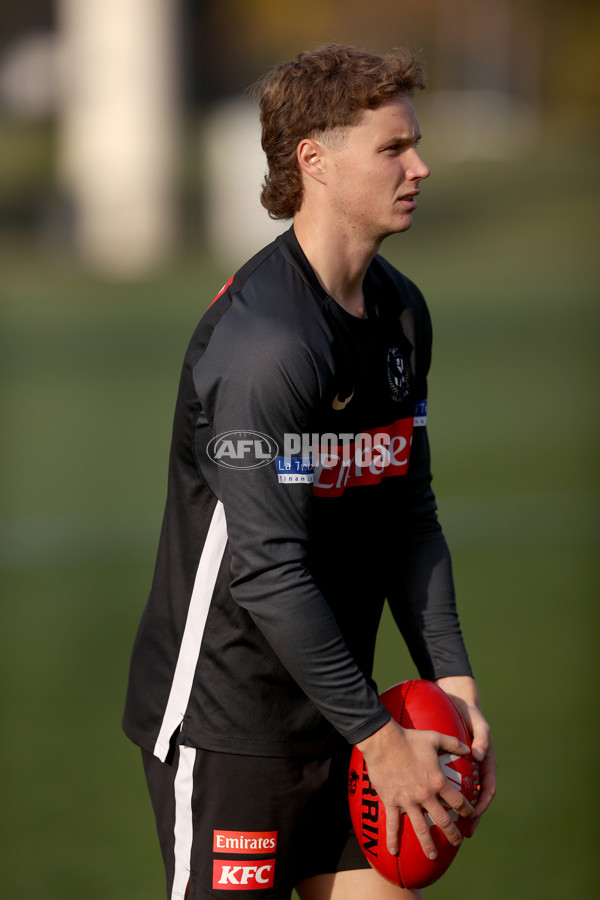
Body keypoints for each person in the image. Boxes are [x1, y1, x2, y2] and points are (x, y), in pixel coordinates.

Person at [123, 43, 496, 900]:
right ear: (315, 163)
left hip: (346, 710)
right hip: (232, 720)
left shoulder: (401, 313)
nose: (421, 167)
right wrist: (380, 741)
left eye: (415, 144)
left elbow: (410, 511)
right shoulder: (266, 345)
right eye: (393, 149)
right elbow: (269, 571)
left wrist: (456, 688)